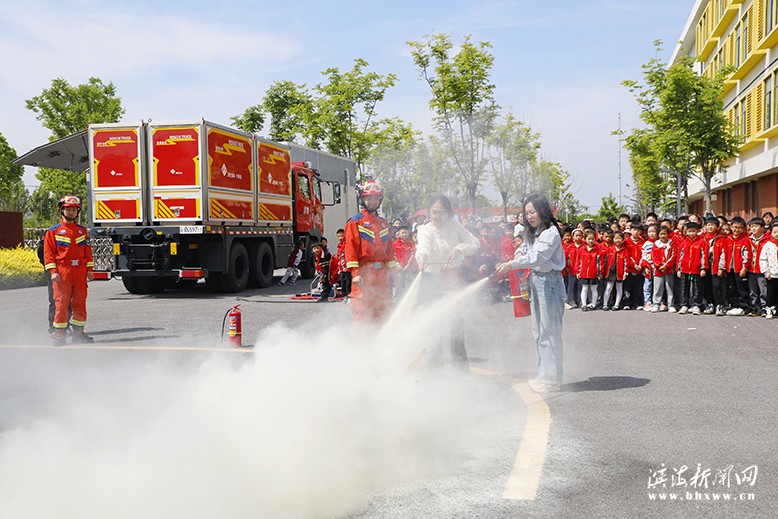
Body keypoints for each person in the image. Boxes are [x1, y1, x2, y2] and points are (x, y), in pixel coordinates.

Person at [496, 194, 566, 394]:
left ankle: (551, 379)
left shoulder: (551, 233)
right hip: (536, 281)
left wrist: (511, 264)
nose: (529, 217)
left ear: (543, 211)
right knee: (539, 331)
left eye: (532, 212)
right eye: (526, 213)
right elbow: (525, 248)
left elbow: (537, 256)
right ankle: (544, 375)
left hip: (549, 283)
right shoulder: (533, 232)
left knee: (549, 331)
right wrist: (518, 253)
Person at [415, 195, 480, 369]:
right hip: (432, 281)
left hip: (452, 281)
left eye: (441, 213)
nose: (437, 216)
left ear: (450, 213)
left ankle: (461, 372)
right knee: (434, 329)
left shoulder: (455, 226)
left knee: (456, 328)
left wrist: (460, 249)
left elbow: (474, 243)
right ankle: (434, 373)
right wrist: (422, 257)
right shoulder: (425, 229)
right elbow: (423, 246)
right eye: (433, 212)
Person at [43, 195, 94, 346]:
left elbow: (87, 252)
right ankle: (59, 335)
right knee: (61, 303)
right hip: (62, 271)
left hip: (79, 271)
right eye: (68, 209)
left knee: (80, 302)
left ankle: (79, 333)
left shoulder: (82, 231)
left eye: (74, 209)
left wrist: (89, 269)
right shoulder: (54, 231)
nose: (71, 212)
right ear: (61, 210)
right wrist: (53, 272)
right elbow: (48, 253)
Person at [344, 179, 396, 323]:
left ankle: (381, 343)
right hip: (364, 274)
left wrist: (394, 272)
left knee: (383, 310)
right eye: (369, 198)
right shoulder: (355, 222)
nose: (372, 201)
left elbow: (390, 251)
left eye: (376, 198)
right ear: (363, 199)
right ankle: (360, 344)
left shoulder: (384, 224)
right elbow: (351, 251)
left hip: (382, 276)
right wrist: (355, 274)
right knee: (362, 311)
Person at [677, 221, 708, 315]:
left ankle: (697, 305)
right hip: (685, 269)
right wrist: (679, 269)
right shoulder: (683, 243)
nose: (691, 233)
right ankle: (684, 305)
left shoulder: (702, 242)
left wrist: (703, 268)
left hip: (697, 270)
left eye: (693, 231)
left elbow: (704, 256)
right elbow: (680, 256)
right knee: (684, 288)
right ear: (686, 232)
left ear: (697, 231)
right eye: (689, 231)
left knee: (697, 288)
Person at [650, 226, 676, 312]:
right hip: (658, 270)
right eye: (661, 234)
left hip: (669, 269)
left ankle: (671, 304)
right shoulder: (656, 244)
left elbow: (673, 256)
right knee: (658, 287)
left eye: (665, 234)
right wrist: (660, 265)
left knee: (669, 287)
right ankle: (656, 304)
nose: (663, 236)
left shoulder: (672, 244)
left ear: (668, 234)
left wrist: (666, 265)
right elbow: (654, 257)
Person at [758, 222, 778, 318]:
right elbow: (763, 259)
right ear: (771, 233)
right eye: (775, 232)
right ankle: (769, 307)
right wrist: (766, 271)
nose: (777, 234)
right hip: (772, 273)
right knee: (771, 292)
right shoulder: (768, 245)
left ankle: (775, 308)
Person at [392, 225, 416, 300]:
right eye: (402, 233)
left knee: (408, 283)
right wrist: (397, 264)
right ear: (398, 233)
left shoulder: (411, 244)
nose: (404, 235)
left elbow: (413, 255)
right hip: (398, 268)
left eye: (406, 233)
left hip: (408, 268)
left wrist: (408, 265)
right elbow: (392, 255)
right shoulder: (395, 244)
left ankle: (409, 299)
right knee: (398, 284)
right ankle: (397, 300)